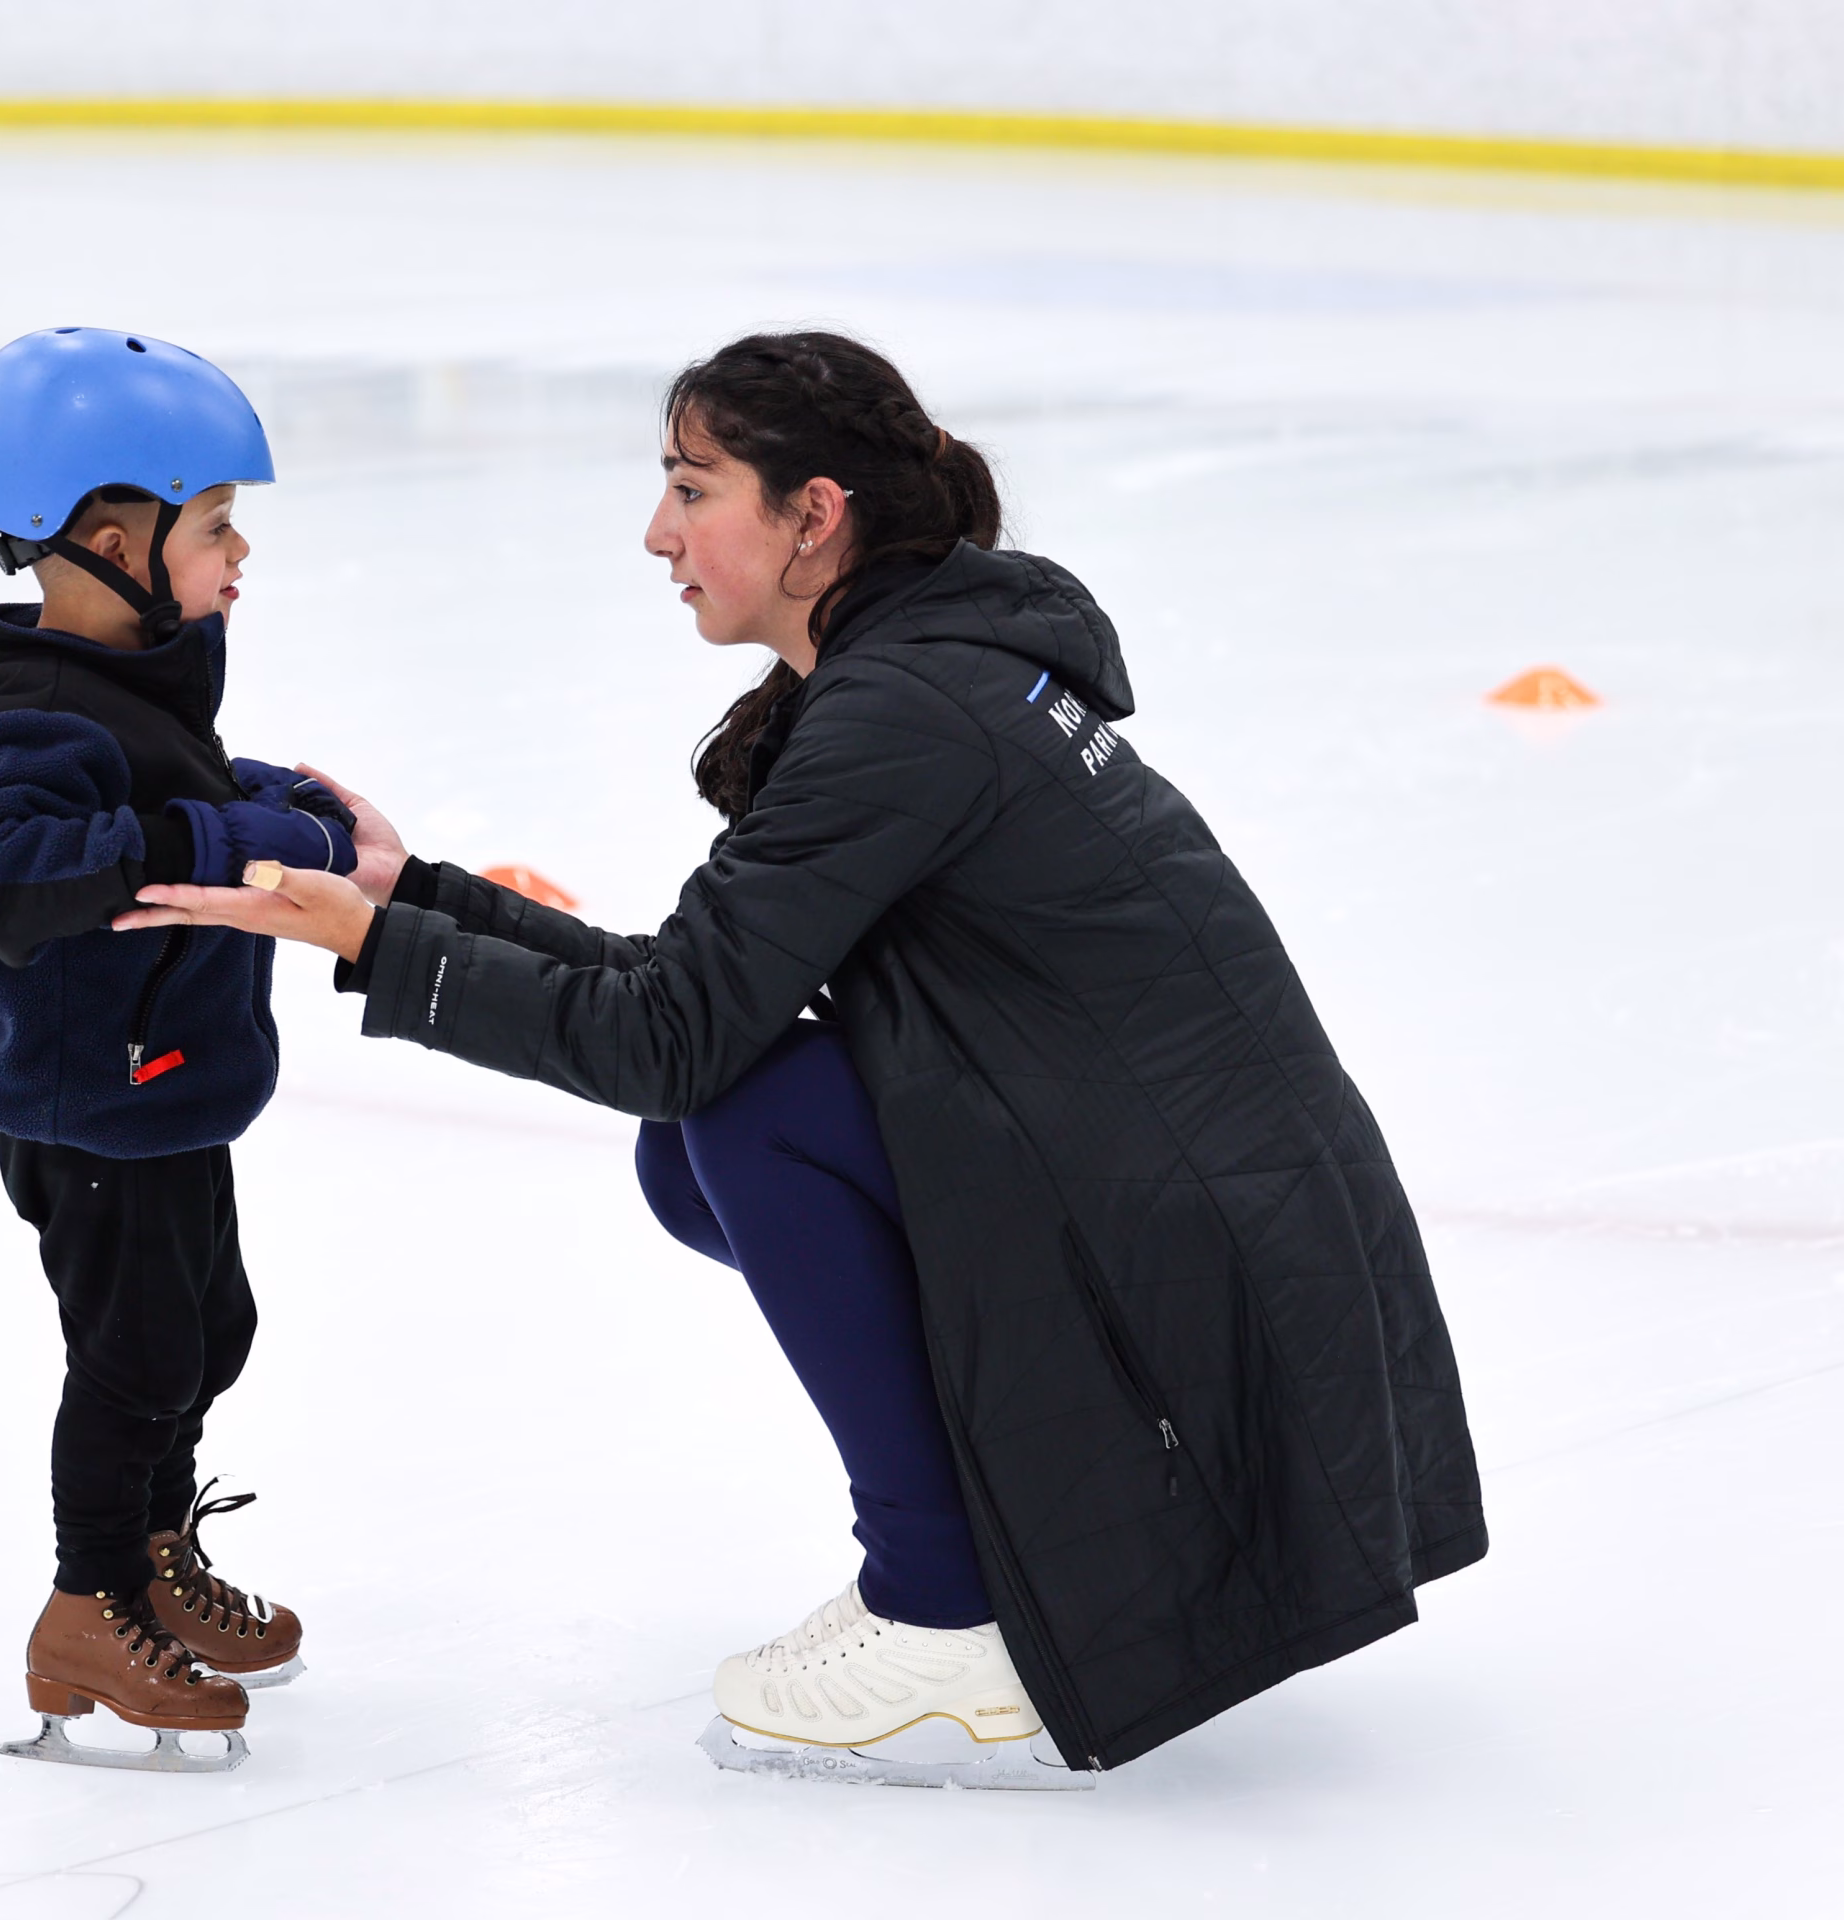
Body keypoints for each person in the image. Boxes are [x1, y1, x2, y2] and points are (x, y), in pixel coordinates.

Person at [117, 331, 1487, 1787]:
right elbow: (696, 990)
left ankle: (947, 1609)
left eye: (693, 489)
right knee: (704, 1134)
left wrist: (382, 948)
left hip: (1212, 1279)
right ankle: (977, 1550)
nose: (659, 534)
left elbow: (672, 1036)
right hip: (1195, 1225)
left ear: (814, 515)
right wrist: (416, 901)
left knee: (746, 1111)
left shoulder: (903, 713)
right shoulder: (925, 670)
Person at [0, 326, 357, 1772]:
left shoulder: (130, 683)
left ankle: (158, 1555)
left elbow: (173, 785)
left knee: (208, 1329)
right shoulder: (27, 714)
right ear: (113, 543)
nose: (241, 554)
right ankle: (89, 1604)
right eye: (217, 525)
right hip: (92, 1104)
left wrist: (262, 799)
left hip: (166, 1089)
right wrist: (212, 835)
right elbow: (4, 865)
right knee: (135, 1354)